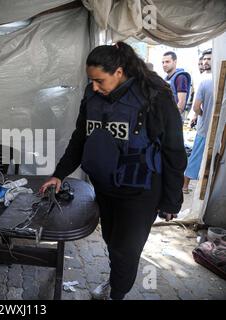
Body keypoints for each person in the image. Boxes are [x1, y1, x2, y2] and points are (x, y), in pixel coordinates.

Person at [39, 42, 187, 300]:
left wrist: (172, 199)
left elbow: (174, 151)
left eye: (100, 80)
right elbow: (80, 138)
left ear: (119, 72)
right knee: (111, 239)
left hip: (142, 191)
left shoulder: (155, 96)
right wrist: (59, 174)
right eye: (91, 81)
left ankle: (116, 293)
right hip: (106, 187)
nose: (94, 87)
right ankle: (114, 279)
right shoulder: (93, 95)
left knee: (126, 250)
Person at [183, 49, 213, 194]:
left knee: (196, 156)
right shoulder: (205, 80)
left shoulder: (206, 81)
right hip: (206, 127)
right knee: (198, 156)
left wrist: (202, 114)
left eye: (209, 59)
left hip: (205, 126)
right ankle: (186, 185)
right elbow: (195, 107)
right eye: (204, 59)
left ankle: (185, 186)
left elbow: (196, 107)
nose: (206, 62)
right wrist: (201, 115)